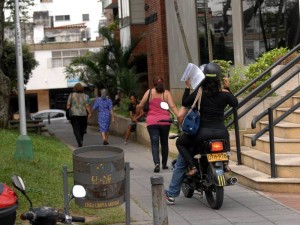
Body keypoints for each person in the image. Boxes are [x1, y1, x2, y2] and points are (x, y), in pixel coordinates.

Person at [165, 62, 238, 204]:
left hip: (202, 135)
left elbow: (185, 101)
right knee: (224, 145)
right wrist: (228, 88)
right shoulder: (225, 94)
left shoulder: (200, 93)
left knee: (180, 143)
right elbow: (235, 103)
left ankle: (192, 167)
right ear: (219, 79)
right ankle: (224, 163)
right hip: (222, 134)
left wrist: (187, 87)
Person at [138, 76, 179, 173]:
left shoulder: (149, 92)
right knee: (164, 143)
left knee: (154, 143)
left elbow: (140, 105)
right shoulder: (166, 93)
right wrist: (179, 117)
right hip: (165, 121)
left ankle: (157, 163)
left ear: (153, 83)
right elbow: (172, 106)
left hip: (152, 122)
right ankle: (164, 164)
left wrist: (140, 110)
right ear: (163, 83)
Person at [66, 83, 91, 147]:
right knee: (82, 128)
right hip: (83, 115)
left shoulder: (71, 95)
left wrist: (67, 110)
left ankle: (79, 141)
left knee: (76, 129)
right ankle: (81, 140)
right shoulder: (86, 96)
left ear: (75, 88)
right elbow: (87, 106)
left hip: (74, 114)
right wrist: (90, 113)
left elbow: (68, 105)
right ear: (82, 89)